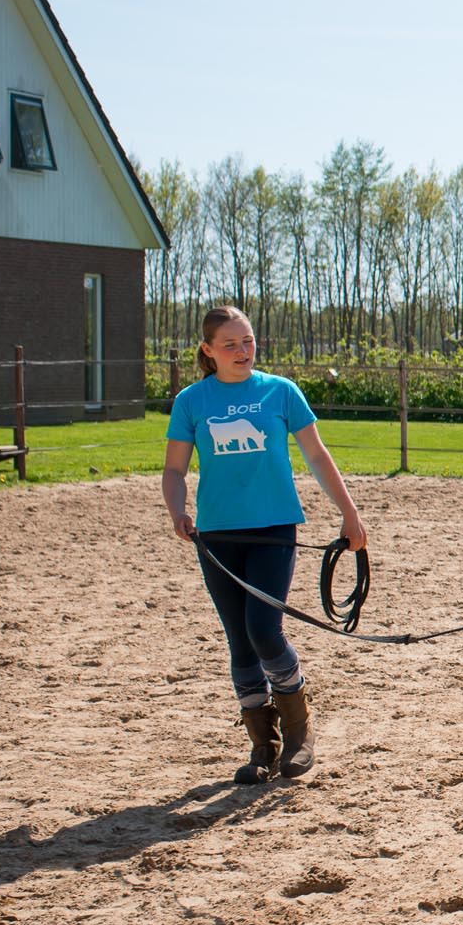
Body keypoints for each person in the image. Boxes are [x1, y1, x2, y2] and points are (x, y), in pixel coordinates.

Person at [162, 306, 367, 783]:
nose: (243, 351)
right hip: (216, 535)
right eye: (231, 344)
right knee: (239, 641)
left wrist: (349, 511)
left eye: (248, 341)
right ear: (209, 351)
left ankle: (298, 731)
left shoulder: (280, 392)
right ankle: (263, 746)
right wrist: (178, 510)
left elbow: (316, 454)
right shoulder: (192, 401)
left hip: (274, 529)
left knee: (264, 628)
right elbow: (174, 470)